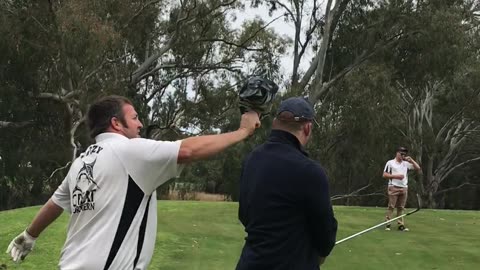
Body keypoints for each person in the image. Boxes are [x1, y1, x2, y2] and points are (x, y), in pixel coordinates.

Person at [6, 95, 260, 269]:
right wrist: (242, 132)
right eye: (135, 117)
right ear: (116, 123)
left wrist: (30, 234)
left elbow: (55, 203)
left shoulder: (81, 162)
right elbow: (188, 151)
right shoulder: (129, 151)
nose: (140, 124)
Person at [236, 97, 338, 270]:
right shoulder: (310, 171)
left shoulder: (252, 159)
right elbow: (325, 235)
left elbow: (244, 215)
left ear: (275, 123)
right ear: (307, 128)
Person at [382, 146, 421, 231]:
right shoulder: (390, 163)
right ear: (397, 153)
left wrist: (412, 160)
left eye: (404, 154)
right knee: (391, 206)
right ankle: (387, 223)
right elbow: (384, 175)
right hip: (393, 186)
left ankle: (400, 224)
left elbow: (417, 168)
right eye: (401, 153)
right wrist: (396, 176)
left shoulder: (405, 163)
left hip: (403, 187)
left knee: (401, 207)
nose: (403, 155)